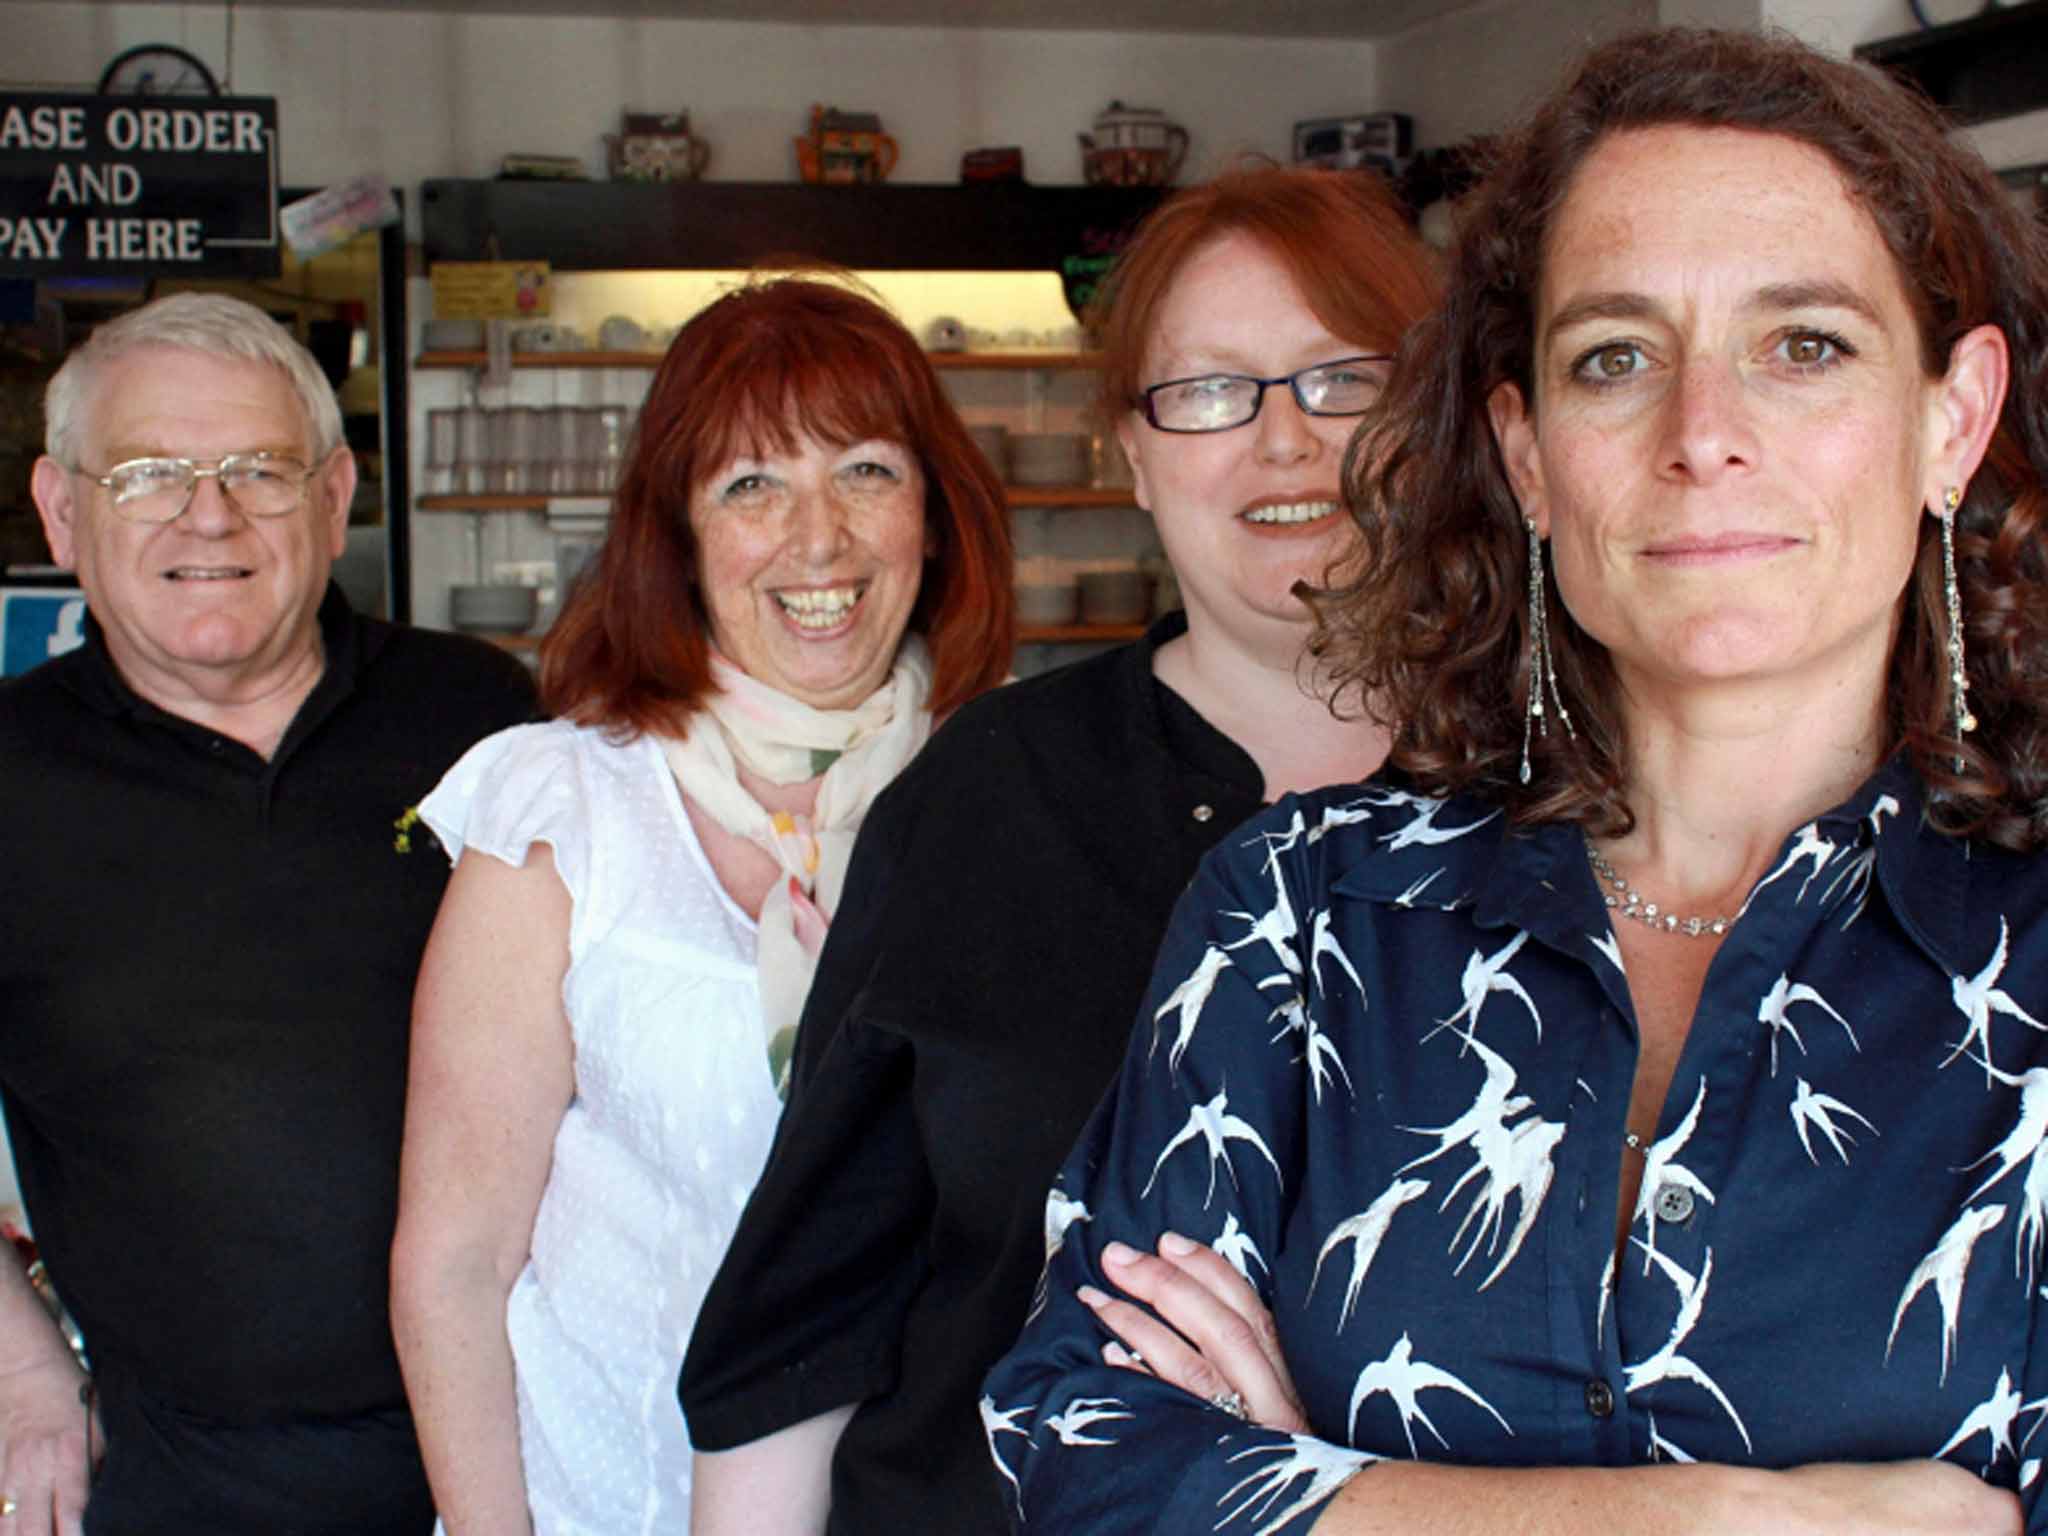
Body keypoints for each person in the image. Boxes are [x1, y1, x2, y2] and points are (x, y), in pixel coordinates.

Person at [987, 24, 2048, 1536]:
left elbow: (1196, 1496)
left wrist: (1321, 1494)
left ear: (1953, 419)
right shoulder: (1301, 913)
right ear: (1530, 454)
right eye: (1615, 358)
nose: (1705, 437)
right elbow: (1087, 1455)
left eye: (1803, 344)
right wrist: (1703, 1523)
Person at [680, 164, 1438, 1534]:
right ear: (1130, 452)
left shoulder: (1570, 803)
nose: (1281, 443)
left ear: (1441, 419)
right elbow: (805, 1332)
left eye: (1343, 376)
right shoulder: (984, 796)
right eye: (1208, 391)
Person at [387, 274, 1014, 1535]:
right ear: (676, 536)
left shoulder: (1007, 801)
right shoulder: (564, 811)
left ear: (936, 516)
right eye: (750, 486)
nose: (817, 539)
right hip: (612, 1499)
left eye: (866, 471)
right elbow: (454, 1265)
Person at [0, 291, 537, 1536]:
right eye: (147, 473)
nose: (208, 513)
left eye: (257, 468)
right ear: (60, 510)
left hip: (531, 1447)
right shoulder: (9, 772)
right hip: (183, 1482)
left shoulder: (484, 719)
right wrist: (23, 1366)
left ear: (336, 495)